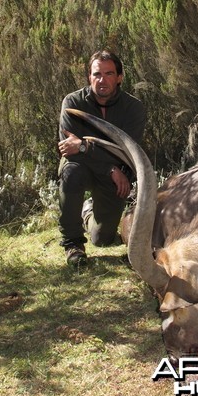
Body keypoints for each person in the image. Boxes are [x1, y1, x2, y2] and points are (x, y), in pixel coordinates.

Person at [57, 50, 146, 265]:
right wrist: (110, 168)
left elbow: (127, 151)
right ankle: (73, 244)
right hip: (87, 168)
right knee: (71, 171)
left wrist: (84, 147)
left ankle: (88, 213)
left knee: (103, 239)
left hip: (115, 175)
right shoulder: (72, 103)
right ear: (89, 76)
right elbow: (67, 149)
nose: (102, 80)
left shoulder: (134, 108)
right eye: (96, 74)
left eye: (108, 73)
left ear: (119, 77)